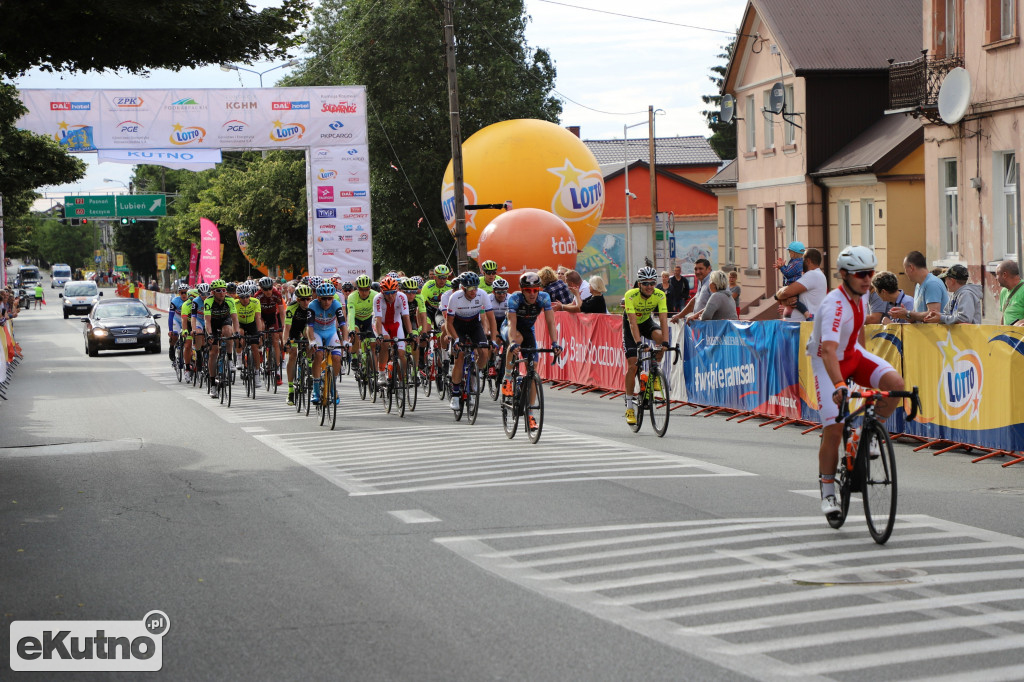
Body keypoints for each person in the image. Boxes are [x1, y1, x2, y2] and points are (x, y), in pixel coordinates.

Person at [806, 246, 904, 517]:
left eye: (870, 273)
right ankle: (827, 491)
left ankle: (869, 433)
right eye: (861, 274)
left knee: (896, 383)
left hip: (853, 354)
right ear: (843, 275)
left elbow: (859, 335)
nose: (867, 279)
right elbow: (827, 350)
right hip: (827, 362)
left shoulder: (862, 297)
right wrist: (840, 384)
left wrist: (865, 376)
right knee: (834, 428)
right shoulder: (833, 304)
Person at [500, 272, 562, 429]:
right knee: (517, 339)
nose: (532, 294)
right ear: (522, 290)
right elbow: (512, 324)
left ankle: (530, 414)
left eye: (536, 290)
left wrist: (555, 343)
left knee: (533, 371)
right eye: (528, 290)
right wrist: (512, 342)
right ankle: (507, 378)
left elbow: (550, 322)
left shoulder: (544, 298)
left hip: (528, 330)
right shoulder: (514, 298)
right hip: (510, 329)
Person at [622, 266, 669, 426]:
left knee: (660, 339)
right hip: (631, 326)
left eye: (652, 283)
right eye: (645, 283)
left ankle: (655, 373)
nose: (649, 286)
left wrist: (666, 342)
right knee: (633, 365)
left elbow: (663, 320)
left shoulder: (659, 295)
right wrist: (639, 344)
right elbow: (633, 323)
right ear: (639, 284)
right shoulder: (630, 295)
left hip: (647, 322)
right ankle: (629, 407)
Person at [444, 272, 495, 411]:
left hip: (474, 324)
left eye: (476, 288)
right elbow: (449, 323)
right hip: (458, 326)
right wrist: (455, 339)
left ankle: (474, 374)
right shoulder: (455, 297)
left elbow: (491, 318)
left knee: (484, 351)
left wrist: (494, 339)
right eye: (471, 289)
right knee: (460, 355)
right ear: (463, 288)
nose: (474, 291)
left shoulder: (482, 294)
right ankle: (455, 394)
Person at [308, 282, 348, 405]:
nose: (327, 302)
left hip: (331, 332)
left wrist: (345, 341)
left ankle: (332, 386)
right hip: (317, 332)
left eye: (329, 298)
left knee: (336, 357)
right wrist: (311, 341)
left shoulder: (336, 305)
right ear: (318, 298)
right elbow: (309, 327)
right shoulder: (312, 305)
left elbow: (343, 325)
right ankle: (315, 390)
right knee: (319, 355)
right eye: (324, 299)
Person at [372, 276, 412, 385]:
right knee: (385, 340)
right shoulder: (378, 298)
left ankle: (402, 378)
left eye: (393, 292)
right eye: (387, 293)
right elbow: (378, 320)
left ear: (397, 290)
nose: (390, 296)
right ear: (382, 292)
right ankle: (381, 373)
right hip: (381, 324)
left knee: (400, 353)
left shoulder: (402, 297)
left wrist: (411, 333)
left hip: (396, 323)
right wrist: (379, 335)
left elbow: (406, 317)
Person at [203, 279, 240, 399]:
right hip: (212, 324)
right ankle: (213, 383)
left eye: (224, 290)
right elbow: (207, 321)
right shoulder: (208, 301)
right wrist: (209, 334)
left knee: (228, 331)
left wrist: (237, 332)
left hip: (224, 320)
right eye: (218, 291)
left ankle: (229, 359)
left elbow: (234, 318)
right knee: (213, 353)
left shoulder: (229, 300)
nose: (222, 293)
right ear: (213, 292)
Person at [889, 250, 948, 323]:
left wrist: (908, 313)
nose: (905, 272)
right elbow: (916, 316)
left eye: (905, 269)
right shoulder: (918, 285)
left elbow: (933, 315)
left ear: (911, 267)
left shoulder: (932, 283)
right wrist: (904, 315)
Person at [773, 247, 826, 321]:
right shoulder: (813, 275)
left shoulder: (813, 275)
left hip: (803, 328)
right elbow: (793, 299)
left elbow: (786, 292)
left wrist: (777, 295)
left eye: (802, 260)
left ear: (808, 261)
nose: (800, 263)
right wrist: (786, 302)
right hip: (795, 326)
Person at [283, 283, 315, 406]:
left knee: (310, 338)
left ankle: (309, 363)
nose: (306, 302)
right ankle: (290, 390)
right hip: (293, 330)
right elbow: (286, 328)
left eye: (308, 298)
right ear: (297, 299)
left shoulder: (313, 306)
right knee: (292, 355)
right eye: (303, 299)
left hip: (307, 329)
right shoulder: (291, 307)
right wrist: (286, 342)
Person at [775, 241, 812, 318]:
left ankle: (807, 314)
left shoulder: (797, 263)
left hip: (793, 286)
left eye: (790, 252)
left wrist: (782, 267)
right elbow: (788, 271)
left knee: (795, 302)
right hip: (791, 285)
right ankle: (787, 314)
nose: (789, 254)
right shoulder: (795, 262)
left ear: (794, 253)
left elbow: (787, 272)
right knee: (787, 301)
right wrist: (783, 266)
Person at [670, 258, 711, 323]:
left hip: (713, 326)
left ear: (709, 268)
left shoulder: (713, 281)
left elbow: (713, 305)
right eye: (695, 269)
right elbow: (695, 300)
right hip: (704, 324)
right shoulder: (702, 280)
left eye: (701, 269)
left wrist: (695, 316)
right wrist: (679, 315)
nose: (697, 272)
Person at [995, 260, 1024, 326]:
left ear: (1004, 275)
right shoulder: (1003, 291)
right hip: (1007, 335)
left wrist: (1019, 323)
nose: (996, 278)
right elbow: (1004, 314)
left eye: (997, 274)